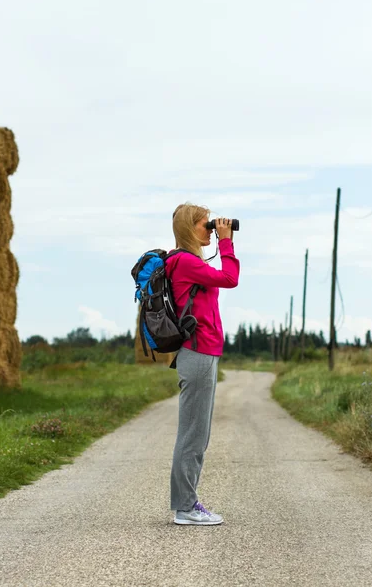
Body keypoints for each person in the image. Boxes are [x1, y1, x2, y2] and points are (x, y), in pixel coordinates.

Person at [165, 203, 240, 525]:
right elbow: (230, 278)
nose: (210, 228)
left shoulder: (188, 262)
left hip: (202, 351)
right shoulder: (183, 261)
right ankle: (185, 507)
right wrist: (226, 241)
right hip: (197, 352)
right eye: (205, 224)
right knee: (194, 434)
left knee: (199, 433)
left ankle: (187, 502)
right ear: (189, 227)